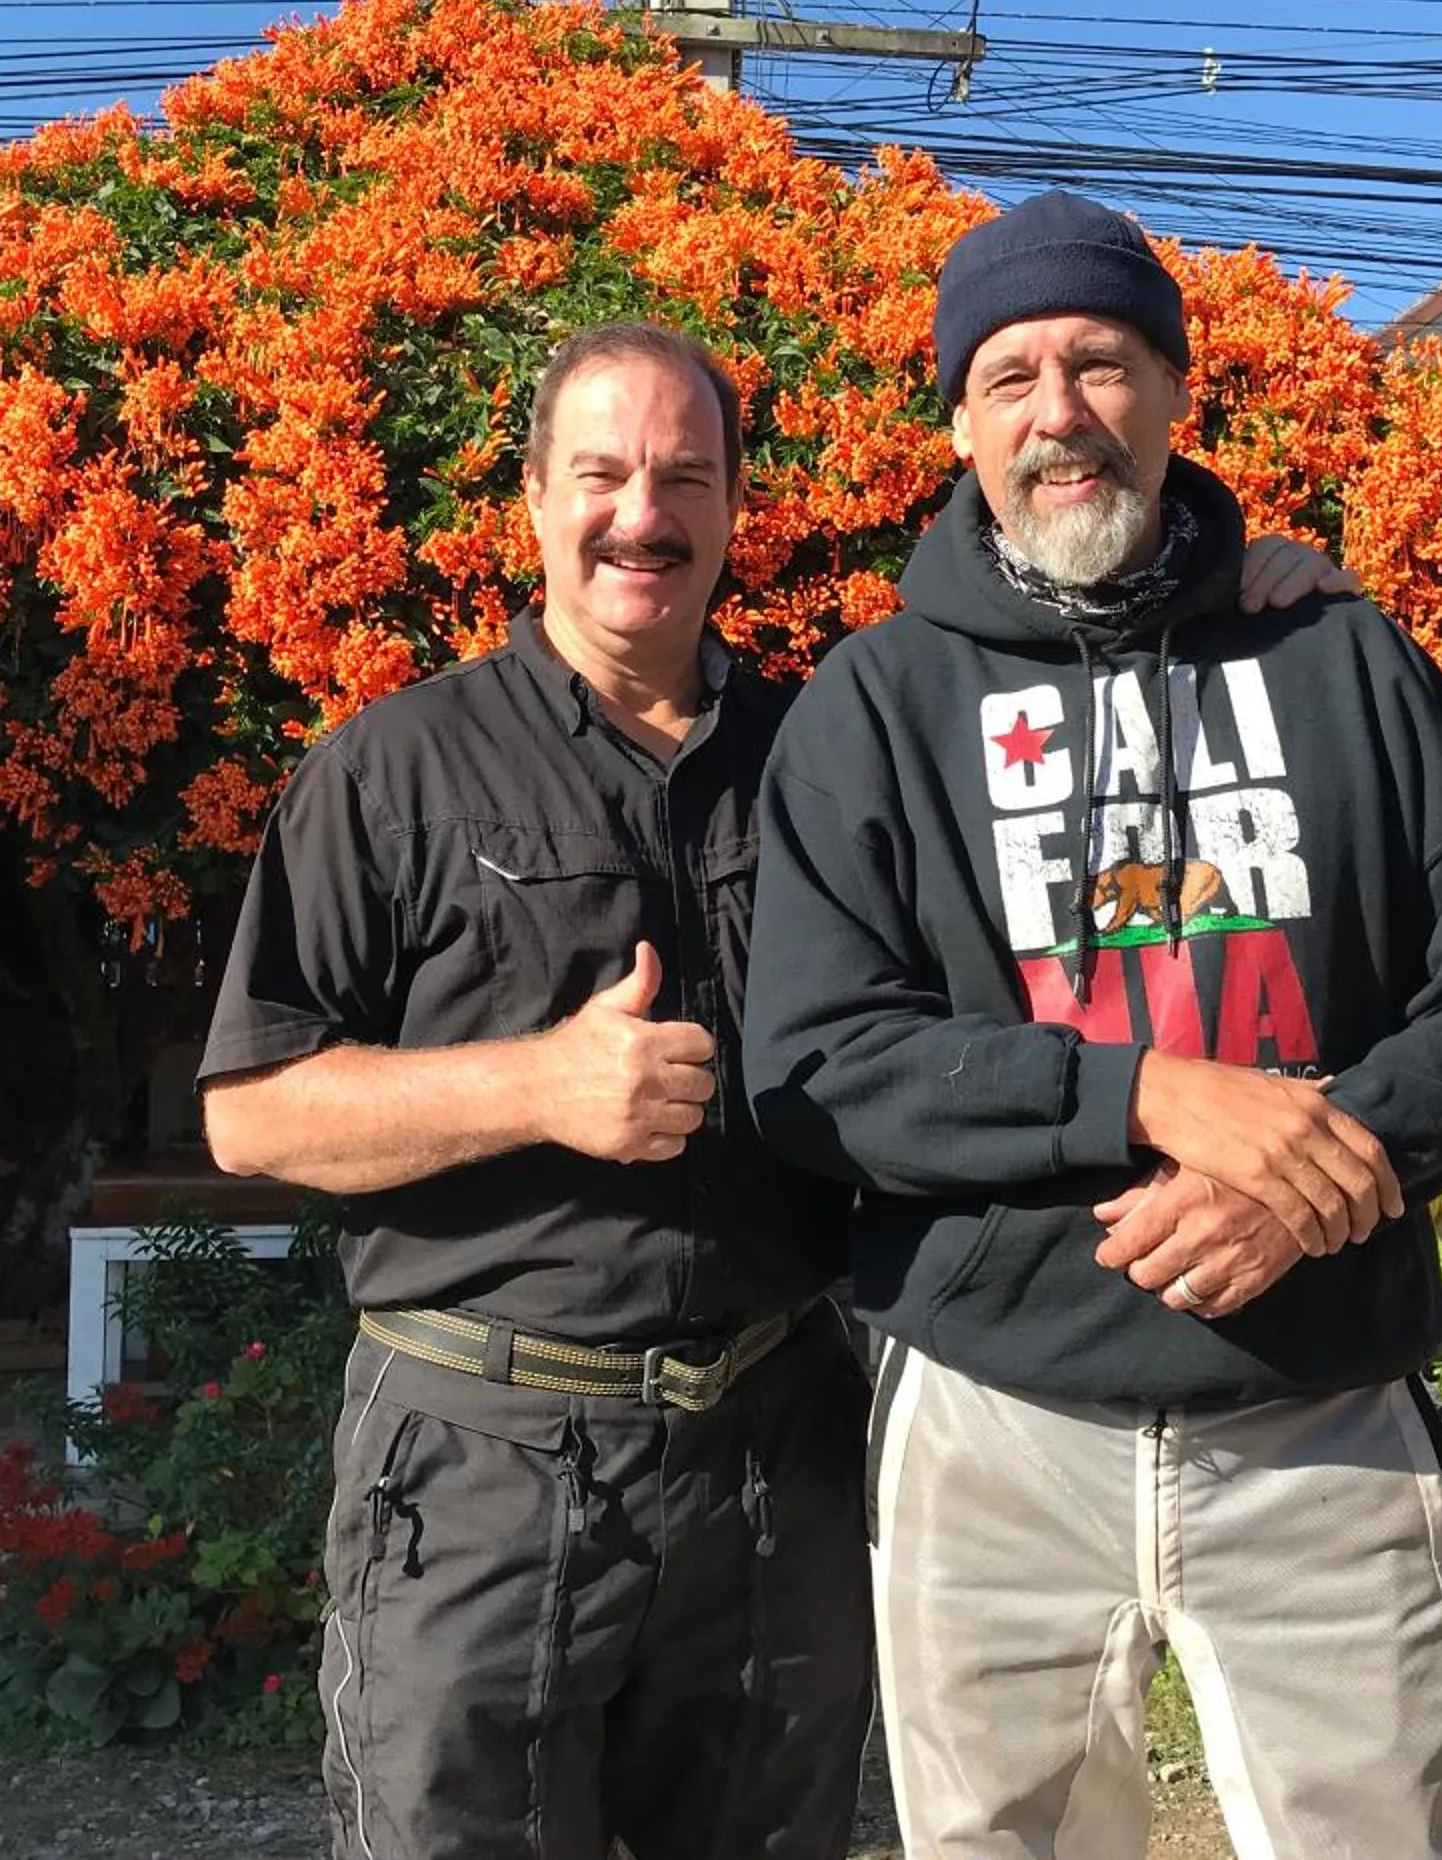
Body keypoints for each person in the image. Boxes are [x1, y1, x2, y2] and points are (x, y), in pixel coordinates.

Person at [197, 317, 1350, 1860]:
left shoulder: (839, 747)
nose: (642, 514)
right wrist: (540, 1084)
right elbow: (252, 1110)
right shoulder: (394, 772)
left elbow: (1079, 881)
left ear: (737, 506)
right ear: (533, 498)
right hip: (479, 1454)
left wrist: (1248, 598)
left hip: (771, 1444)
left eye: (685, 475)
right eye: (601, 473)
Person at [744, 193, 1442, 1860]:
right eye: (1014, 375)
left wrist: (1313, 1167)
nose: (1061, 413)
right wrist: (1155, 1098)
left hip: (1319, 1405)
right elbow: (817, 1065)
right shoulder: (876, 705)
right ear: (961, 423)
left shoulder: (1348, 661)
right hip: (996, 1419)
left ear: (1176, 395)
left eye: (1102, 364)